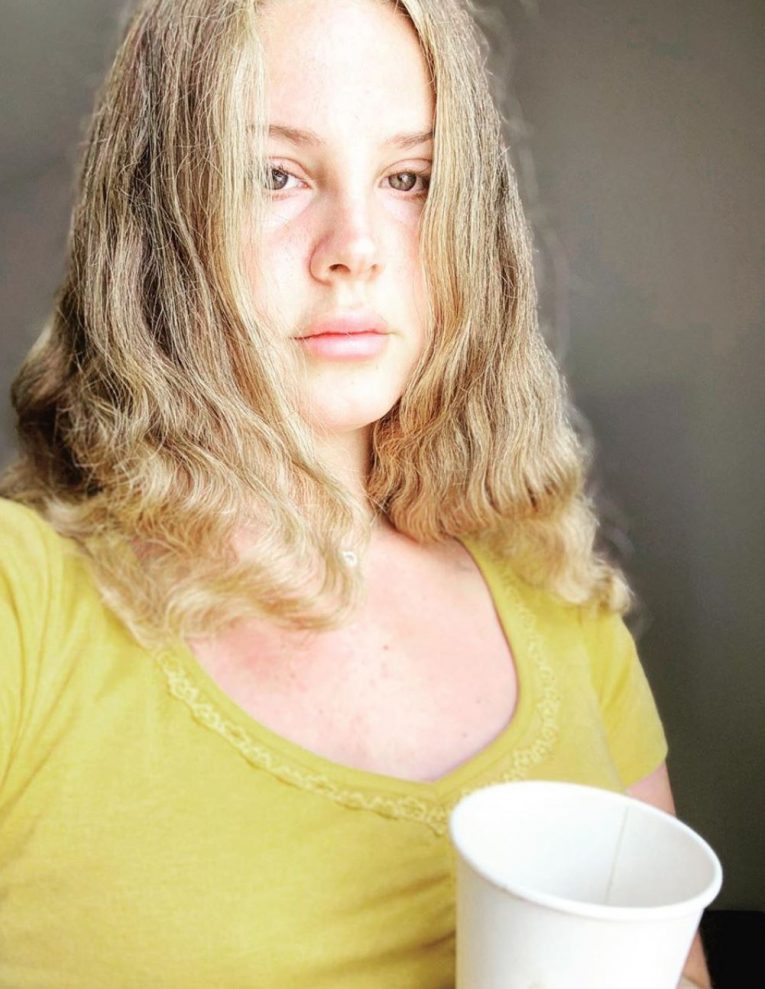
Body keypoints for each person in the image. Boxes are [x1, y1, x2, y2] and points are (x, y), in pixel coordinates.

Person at [0, 0, 711, 985]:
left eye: (408, 178)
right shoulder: (23, 604)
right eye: (276, 174)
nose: (356, 247)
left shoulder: (561, 600)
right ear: (154, 214)